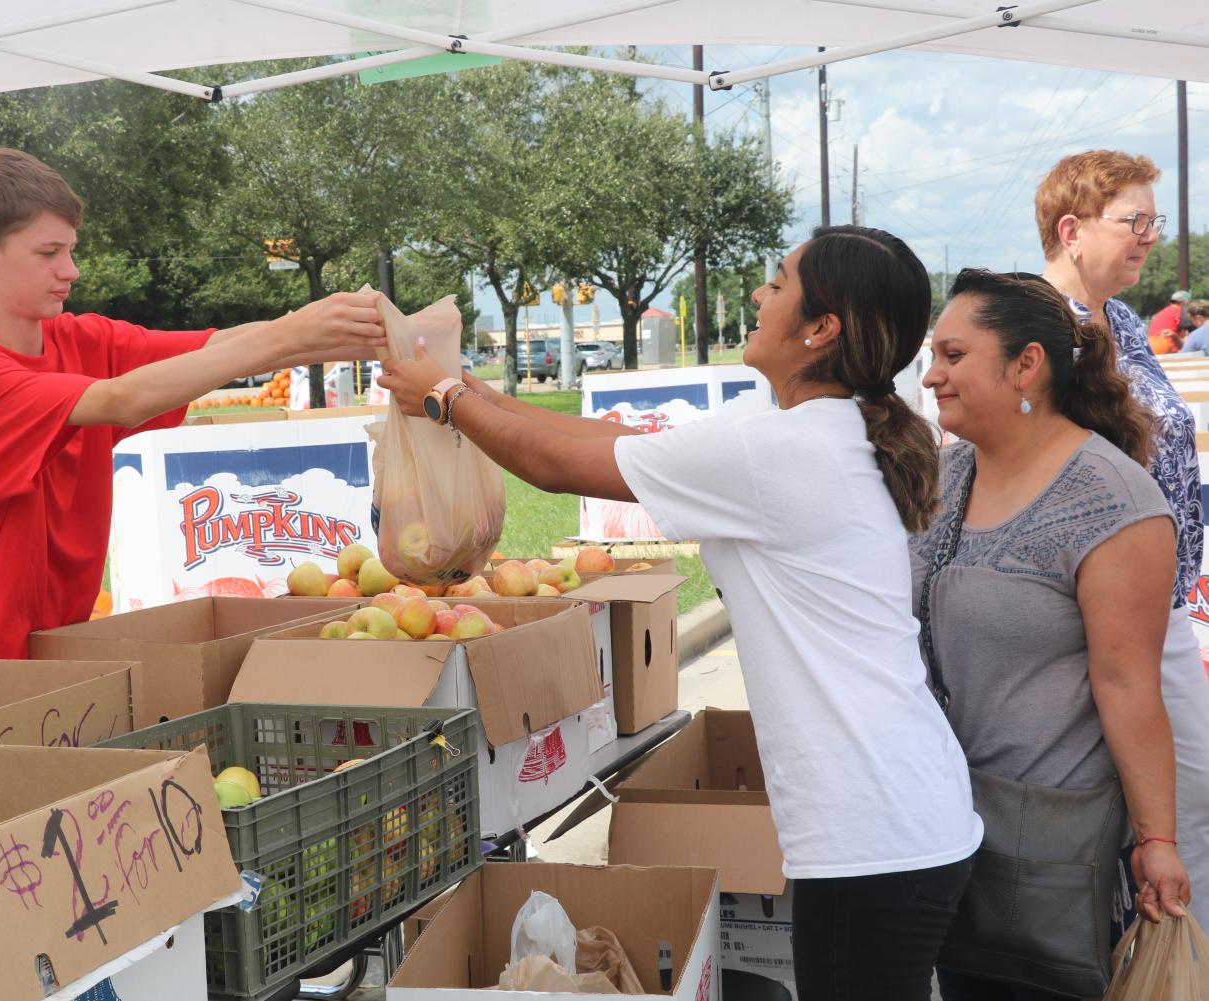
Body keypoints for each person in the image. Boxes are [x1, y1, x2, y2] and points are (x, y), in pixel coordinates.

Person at [380, 225, 983, 1001]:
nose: (759, 295)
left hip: (873, 832)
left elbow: (557, 466)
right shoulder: (805, 431)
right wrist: (463, 390)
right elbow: (611, 440)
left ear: (820, 328)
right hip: (897, 813)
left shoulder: (783, 453)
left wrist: (444, 398)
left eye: (777, 281)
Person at [0, 147, 385, 663]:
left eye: (71, 250)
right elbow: (121, 399)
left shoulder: (79, 339)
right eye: (48, 253)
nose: (70, 271)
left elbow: (217, 346)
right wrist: (289, 336)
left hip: (64, 654)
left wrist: (377, 336)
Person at [915, 270, 1190, 1001]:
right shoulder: (950, 472)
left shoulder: (1111, 500)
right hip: (946, 830)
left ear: (1025, 363)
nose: (930, 374)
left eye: (951, 355)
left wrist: (1156, 840)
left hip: (1043, 855)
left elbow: (1129, 684)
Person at [1034, 150, 1209, 930]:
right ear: (1070, 230)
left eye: (1153, 221)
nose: (1148, 237)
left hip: (1159, 605)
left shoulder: (1124, 320)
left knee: (1183, 804)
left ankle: (1176, 961)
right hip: (1097, 614)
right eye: (1133, 221)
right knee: (1166, 804)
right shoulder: (1036, 328)